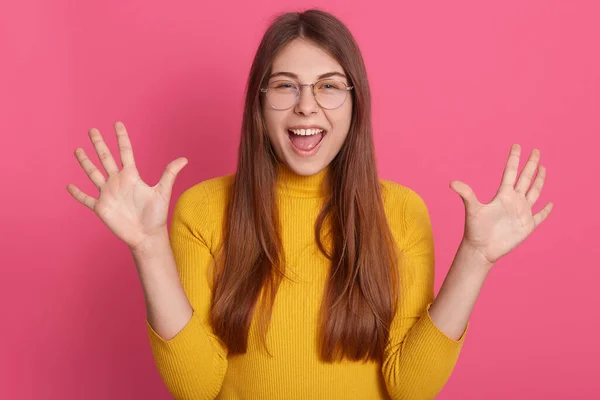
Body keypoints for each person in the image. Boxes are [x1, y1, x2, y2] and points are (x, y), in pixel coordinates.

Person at [66, 9, 554, 400]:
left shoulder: (402, 213)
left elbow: (411, 386)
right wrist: (149, 247)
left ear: (355, 103)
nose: (306, 106)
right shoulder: (203, 209)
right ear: (259, 104)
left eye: (328, 86)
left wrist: (475, 257)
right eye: (285, 85)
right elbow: (197, 387)